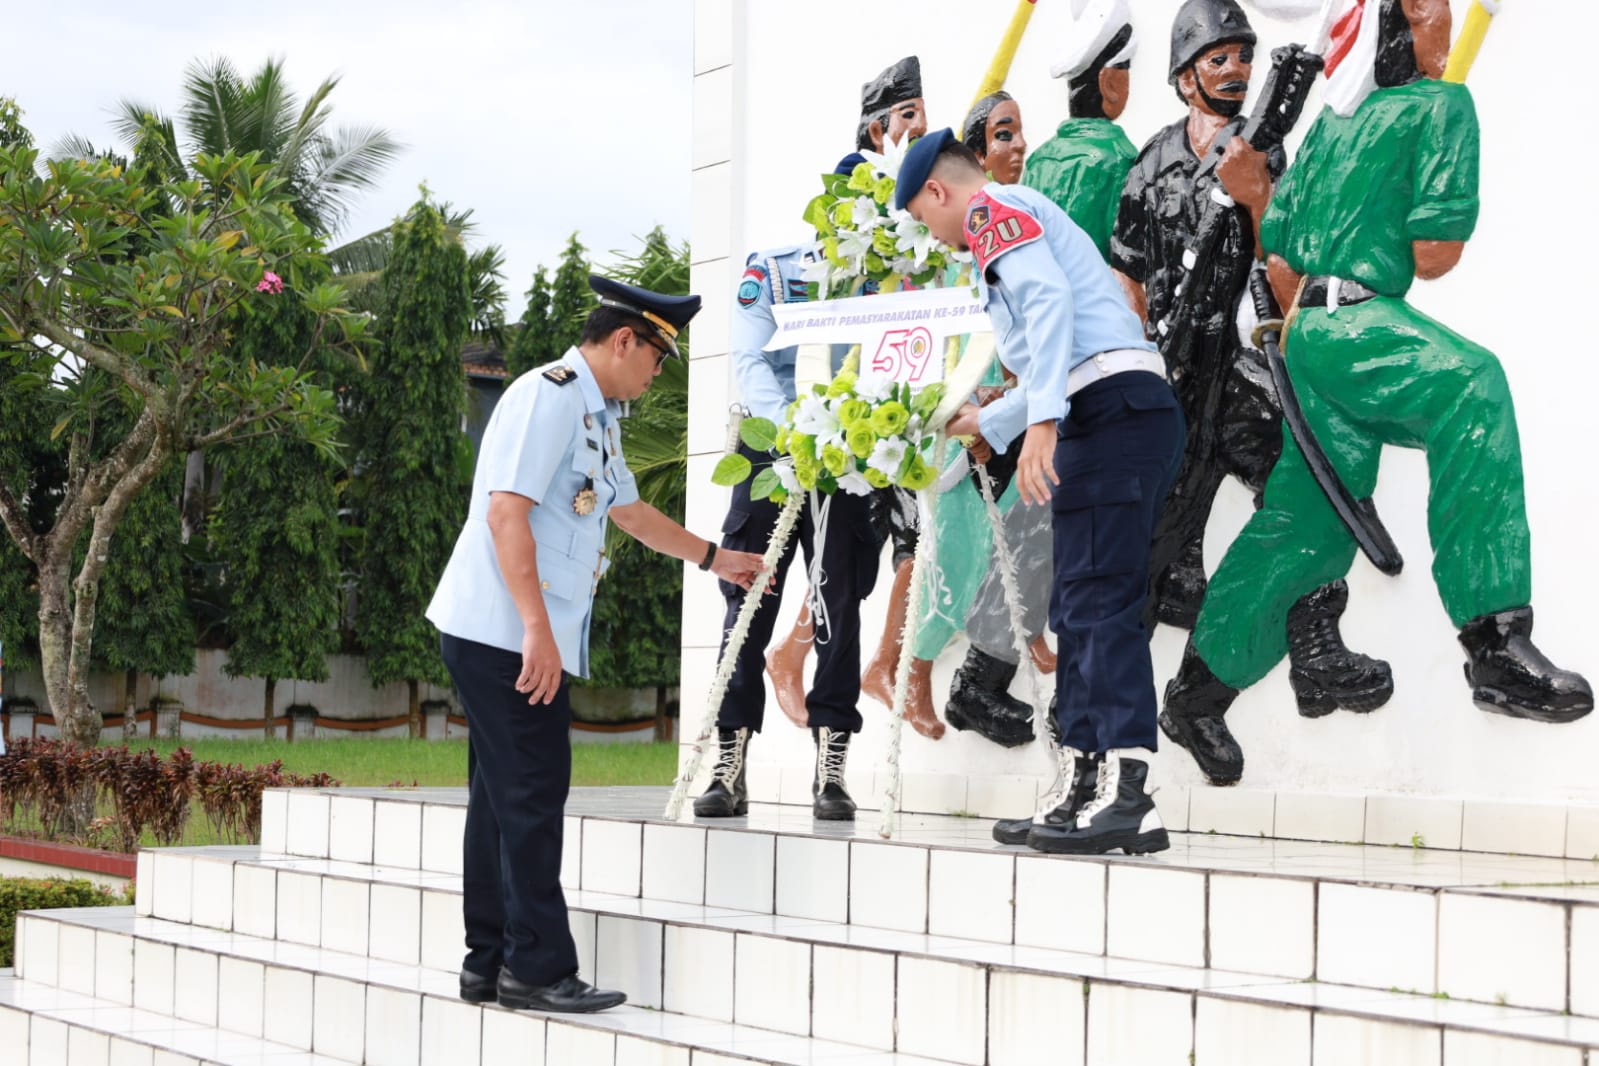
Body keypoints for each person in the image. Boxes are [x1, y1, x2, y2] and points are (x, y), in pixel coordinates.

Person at [1164, 0, 1592, 777]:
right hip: (1357, 325)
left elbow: (1282, 252)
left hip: (1309, 336)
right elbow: (1432, 255)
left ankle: (1198, 694)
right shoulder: (1440, 105)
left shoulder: (1330, 126)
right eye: (1431, 9)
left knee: (1307, 526)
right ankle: (1492, 643)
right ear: (1394, 25)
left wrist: (1272, 197)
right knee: (1471, 387)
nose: (1447, 25)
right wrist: (1436, 150)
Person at [426, 277, 764, 1012]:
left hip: (502, 631)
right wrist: (536, 635)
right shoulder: (547, 397)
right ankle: (537, 970)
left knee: (499, 797)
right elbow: (506, 516)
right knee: (532, 792)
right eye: (656, 360)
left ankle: (487, 963)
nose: (655, 375)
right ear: (623, 340)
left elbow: (630, 512)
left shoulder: (595, 412)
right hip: (504, 632)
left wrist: (715, 557)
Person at [1110, 0, 1390, 786]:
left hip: (1234, 375)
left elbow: (1288, 266)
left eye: (1242, 55)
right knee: (1149, 556)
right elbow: (1124, 271)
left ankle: (1311, 648)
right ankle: (1099, 719)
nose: (1234, 68)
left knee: (1305, 496)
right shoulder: (1149, 163)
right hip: (1167, 386)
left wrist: (1257, 192)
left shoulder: (1264, 154)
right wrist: (1137, 355)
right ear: (1182, 75)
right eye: (1217, 57)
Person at [899, 129, 1183, 856]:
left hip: (1109, 407)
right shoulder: (1007, 217)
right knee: (1078, 601)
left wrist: (1042, 422)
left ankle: (1128, 796)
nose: (933, 236)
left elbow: (1052, 308)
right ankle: (1080, 789)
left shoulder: (991, 210)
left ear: (938, 191)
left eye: (923, 218)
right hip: (1108, 409)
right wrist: (992, 418)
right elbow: (1054, 345)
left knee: (1099, 600)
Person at [695, 245, 886, 820]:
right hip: (772, 441)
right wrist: (793, 432)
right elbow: (751, 360)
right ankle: (729, 764)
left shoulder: (892, 273)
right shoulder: (776, 270)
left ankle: (831, 769)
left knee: (839, 601)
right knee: (749, 600)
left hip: (847, 446)